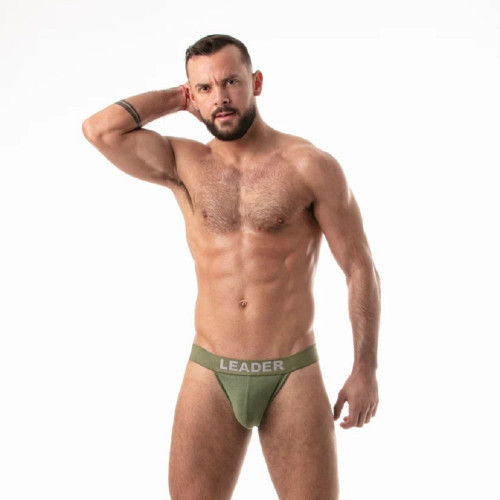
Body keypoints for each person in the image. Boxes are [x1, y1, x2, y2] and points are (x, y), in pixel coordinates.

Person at [82, 33, 380, 500]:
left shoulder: (310, 166)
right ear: (192, 95)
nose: (219, 98)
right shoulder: (184, 163)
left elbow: (360, 268)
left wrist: (366, 369)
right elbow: (100, 130)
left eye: (230, 83)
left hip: (292, 373)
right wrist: (177, 98)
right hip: (210, 374)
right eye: (204, 88)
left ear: (255, 83)